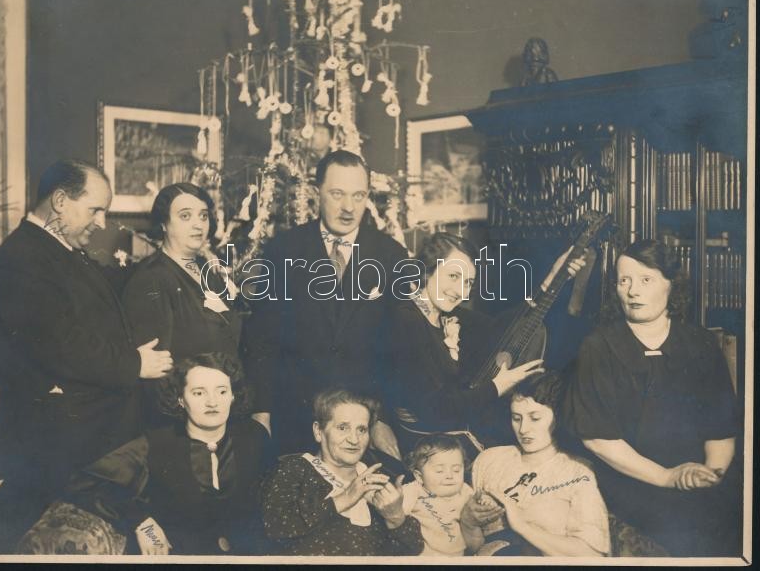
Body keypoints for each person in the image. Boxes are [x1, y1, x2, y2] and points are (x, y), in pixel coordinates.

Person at [0, 159, 172, 552]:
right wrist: (134, 364)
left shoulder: (56, 249)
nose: (101, 223)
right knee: (13, 534)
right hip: (49, 440)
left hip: (68, 436)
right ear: (61, 201)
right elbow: (59, 344)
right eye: (95, 210)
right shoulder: (24, 258)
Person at [563, 239, 740, 556]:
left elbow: (721, 429)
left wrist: (709, 475)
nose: (633, 291)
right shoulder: (598, 347)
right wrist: (667, 477)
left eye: (646, 279)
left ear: (670, 284)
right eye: (624, 281)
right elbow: (598, 438)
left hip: (698, 475)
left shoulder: (700, 343)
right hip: (631, 481)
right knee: (673, 529)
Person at [242, 149, 409, 457]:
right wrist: (261, 412)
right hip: (295, 418)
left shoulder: (391, 255)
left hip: (363, 424)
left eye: (358, 196)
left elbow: (398, 350)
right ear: (316, 191)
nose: (349, 207)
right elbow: (262, 338)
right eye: (337, 194)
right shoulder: (283, 250)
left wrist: (381, 418)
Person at [387, 232, 586, 454]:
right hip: (424, 445)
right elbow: (435, 409)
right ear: (427, 271)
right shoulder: (406, 321)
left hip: (451, 436)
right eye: (453, 276)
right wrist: (498, 386)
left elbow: (507, 325)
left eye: (468, 282)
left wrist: (554, 278)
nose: (460, 291)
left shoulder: (446, 316)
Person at [61, 352, 269, 555]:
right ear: (181, 399)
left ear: (233, 396)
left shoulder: (254, 437)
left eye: (222, 391)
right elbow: (86, 483)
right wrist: (142, 523)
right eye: (199, 393)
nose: (212, 402)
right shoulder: (155, 444)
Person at [121, 183, 254, 429]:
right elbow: (157, 376)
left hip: (220, 415)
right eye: (185, 216)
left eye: (203, 216)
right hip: (182, 424)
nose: (198, 224)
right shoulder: (152, 279)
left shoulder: (208, 272)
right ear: (164, 224)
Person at [461, 372, 610, 557]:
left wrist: (522, 526)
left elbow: (592, 555)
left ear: (557, 418)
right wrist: (467, 522)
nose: (523, 429)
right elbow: (472, 549)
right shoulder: (489, 460)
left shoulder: (578, 471)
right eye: (516, 418)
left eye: (535, 418)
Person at [260, 388, 424, 556]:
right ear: (318, 431)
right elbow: (274, 528)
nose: (354, 439)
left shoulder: (378, 478)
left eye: (362, 429)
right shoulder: (294, 468)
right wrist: (347, 496)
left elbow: (412, 552)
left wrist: (396, 517)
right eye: (343, 428)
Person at [401, 435, 475, 556]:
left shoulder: (465, 490)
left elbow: (478, 509)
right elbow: (395, 510)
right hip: (425, 558)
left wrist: (485, 503)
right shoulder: (414, 490)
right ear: (419, 477)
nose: (450, 476)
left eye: (456, 470)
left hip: (460, 557)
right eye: (440, 471)